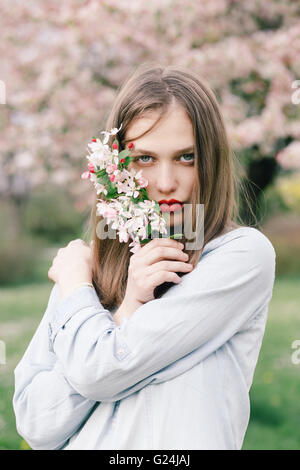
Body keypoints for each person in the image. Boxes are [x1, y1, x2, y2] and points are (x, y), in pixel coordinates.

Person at [13, 64, 276, 450]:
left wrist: (81, 298)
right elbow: (36, 422)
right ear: (116, 165)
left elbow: (101, 372)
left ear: (212, 159)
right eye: (145, 159)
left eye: (187, 157)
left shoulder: (240, 257)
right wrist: (123, 311)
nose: (167, 182)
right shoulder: (88, 272)